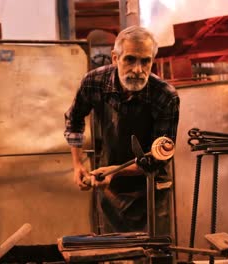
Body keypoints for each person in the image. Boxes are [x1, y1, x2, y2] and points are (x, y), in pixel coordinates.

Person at [64, 26, 180, 234]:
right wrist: (77, 164)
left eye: (145, 61)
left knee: (155, 252)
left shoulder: (164, 96)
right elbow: (74, 118)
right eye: (130, 59)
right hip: (110, 189)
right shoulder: (94, 83)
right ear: (115, 58)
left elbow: (160, 155)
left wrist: (115, 171)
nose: (138, 69)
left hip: (152, 187)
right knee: (114, 250)